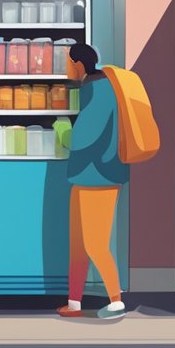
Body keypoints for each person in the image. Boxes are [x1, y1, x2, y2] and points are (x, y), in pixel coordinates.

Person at [55, 42, 129, 320]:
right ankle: (74, 302)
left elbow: (81, 138)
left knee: (96, 243)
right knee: (78, 243)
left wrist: (61, 128)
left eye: (66, 63)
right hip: (85, 176)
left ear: (79, 64)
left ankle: (116, 300)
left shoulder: (99, 91)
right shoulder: (94, 87)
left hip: (99, 177)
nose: (64, 69)